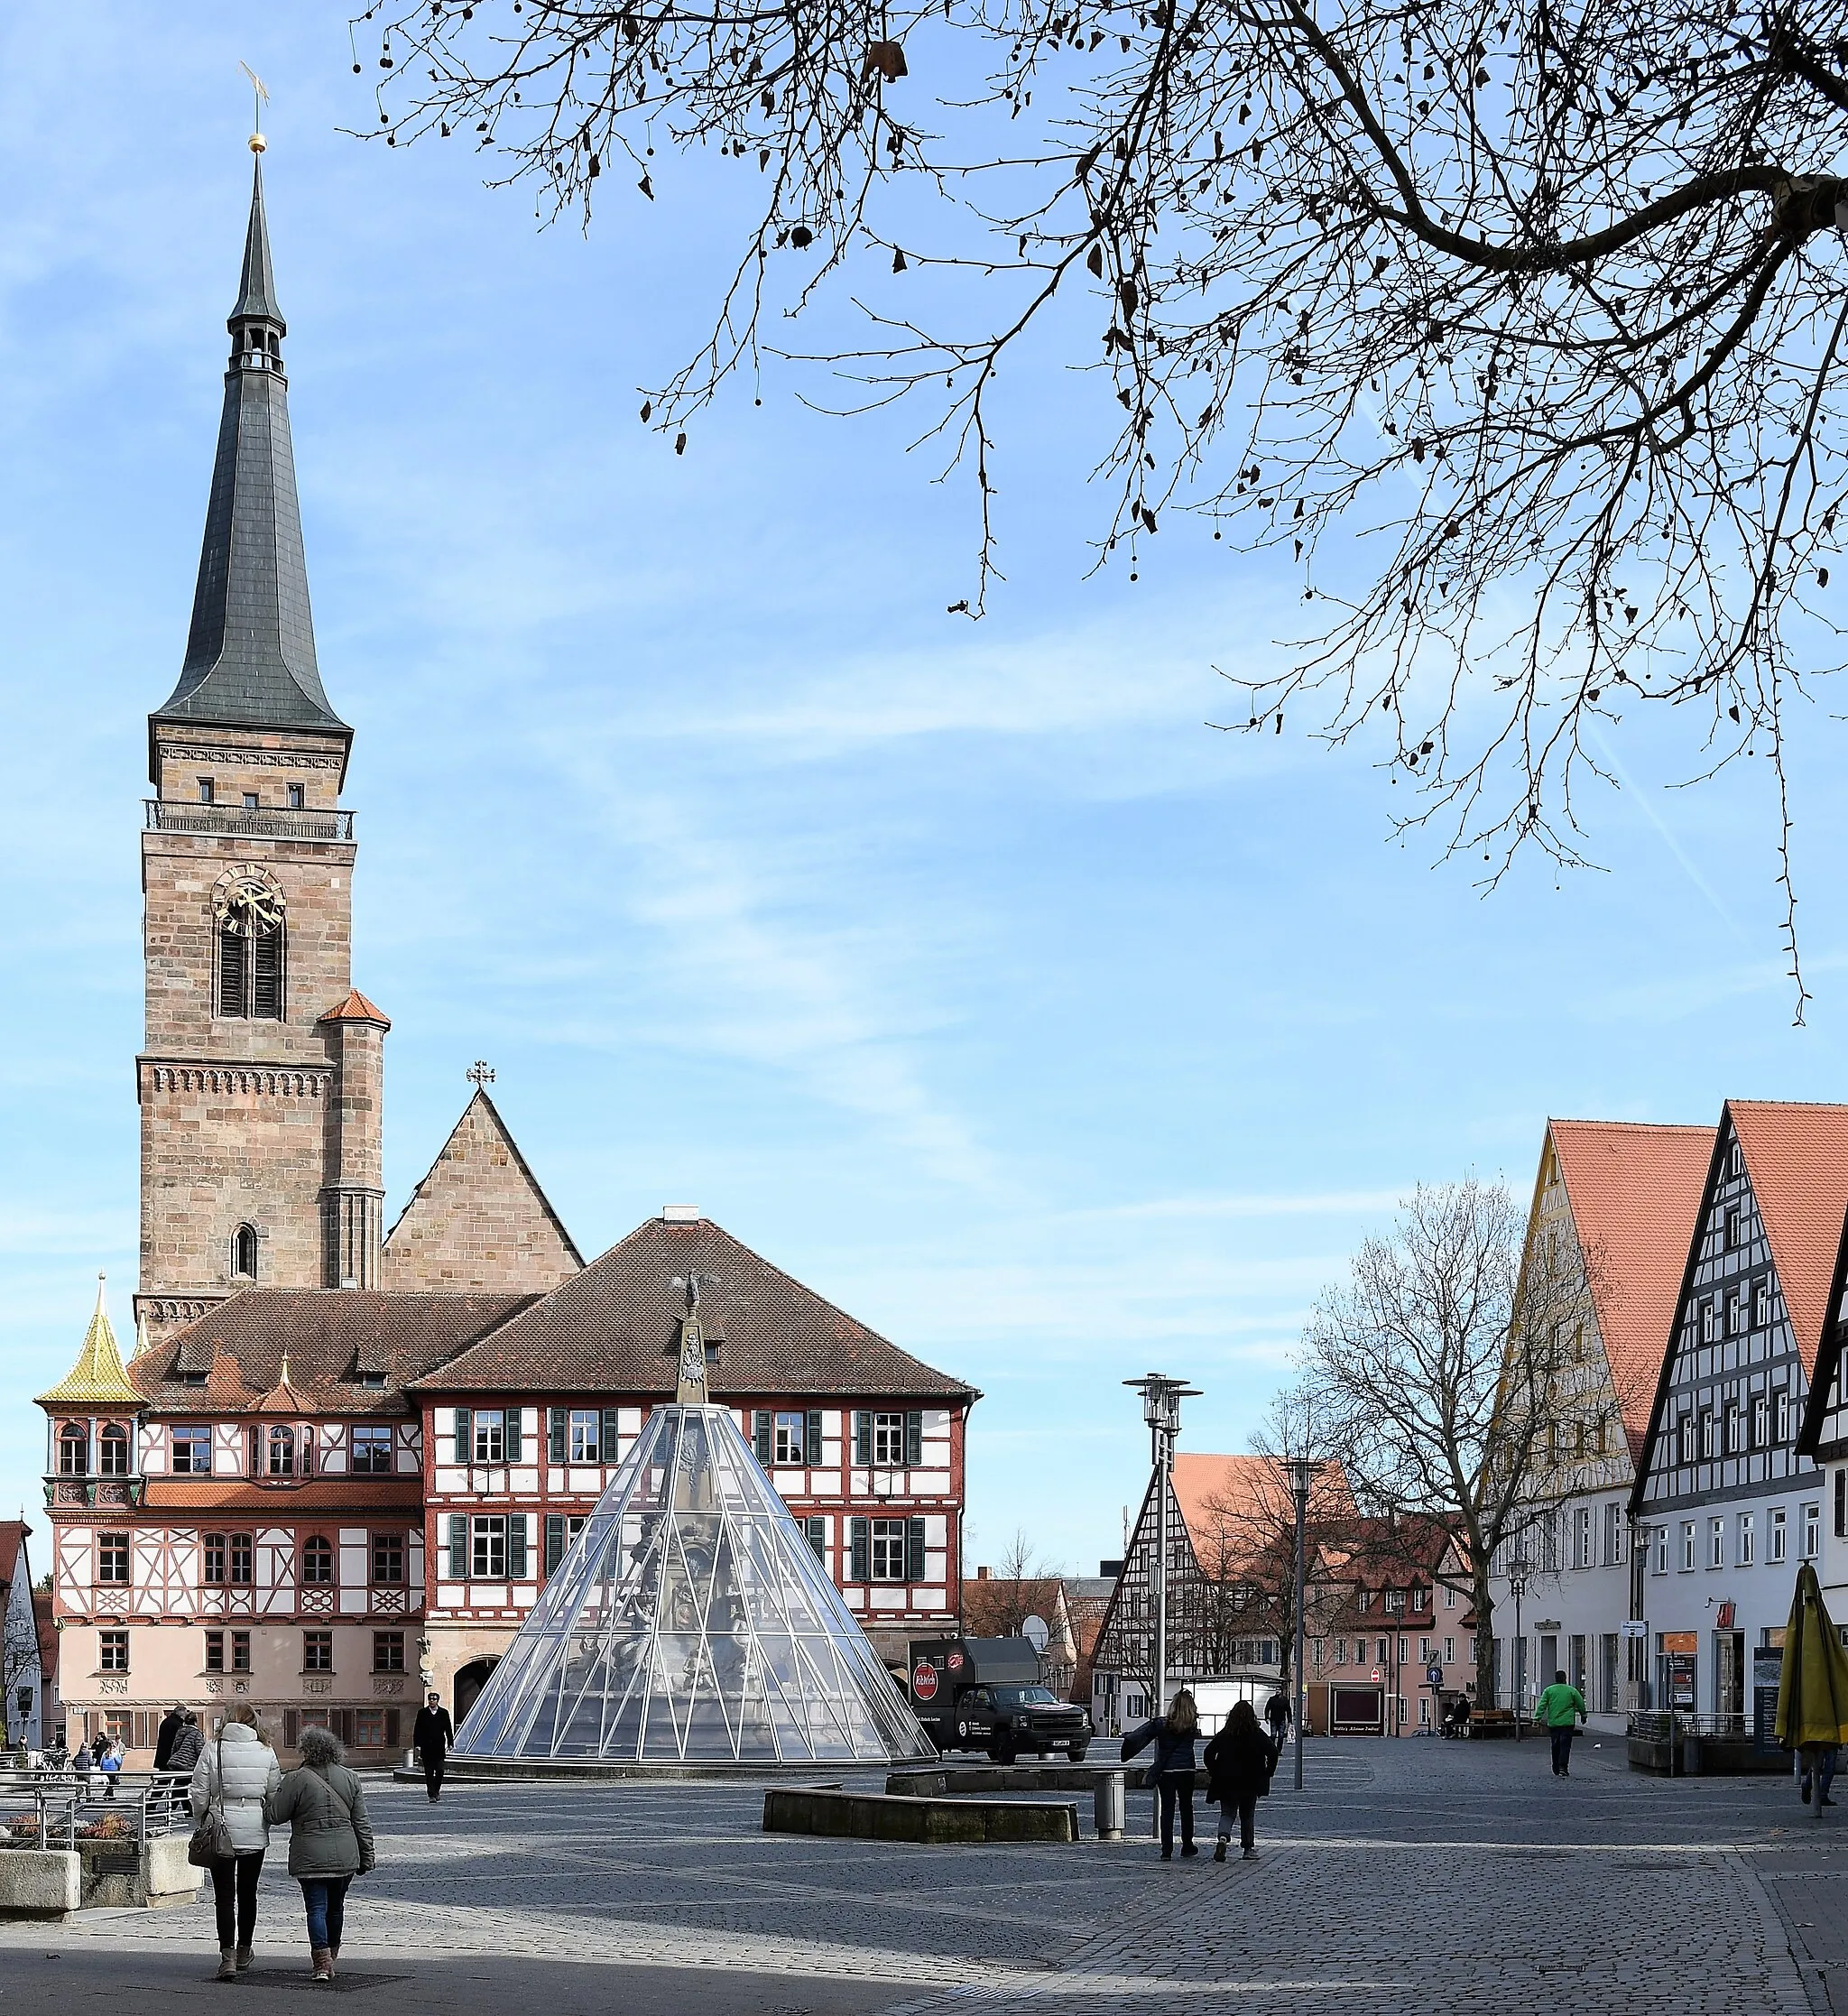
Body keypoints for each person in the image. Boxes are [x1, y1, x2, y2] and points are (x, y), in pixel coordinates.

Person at [268, 1725, 375, 1983]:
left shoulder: (296, 1779)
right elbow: (361, 1821)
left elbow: (275, 1815)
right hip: (345, 1855)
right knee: (336, 1909)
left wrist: (269, 1797)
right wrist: (367, 1855)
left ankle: (322, 1963)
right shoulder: (350, 1777)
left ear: (306, 1750)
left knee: (316, 1908)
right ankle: (332, 1957)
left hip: (310, 1855)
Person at [189, 1704, 282, 1982]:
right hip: (254, 1828)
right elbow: (274, 1791)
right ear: (254, 1721)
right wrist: (263, 1816)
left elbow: (198, 1790)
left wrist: (203, 1817)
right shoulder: (266, 1750)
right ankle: (244, 1950)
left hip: (221, 1827)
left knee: (224, 1897)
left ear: (227, 1721)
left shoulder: (213, 1748)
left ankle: (227, 1956)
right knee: (248, 1893)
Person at [1121, 1688, 1201, 1859]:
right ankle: (1187, 1845)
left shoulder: (1161, 1724)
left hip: (1166, 1771)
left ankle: (1167, 1850)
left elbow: (1139, 1735)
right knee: (1186, 1808)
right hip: (1187, 1770)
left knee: (1167, 1810)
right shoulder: (1192, 1725)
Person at [1203, 1699, 1278, 1862]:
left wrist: (1215, 1770)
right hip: (1250, 1782)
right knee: (1247, 1815)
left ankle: (1223, 1838)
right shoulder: (1257, 1734)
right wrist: (1268, 1772)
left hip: (1227, 1781)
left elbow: (1208, 1752)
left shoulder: (1226, 1733)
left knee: (1227, 1814)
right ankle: (1248, 1849)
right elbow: (1273, 1752)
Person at [1534, 1668, 1587, 1776]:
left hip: (1554, 1723)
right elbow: (1580, 1703)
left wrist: (1537, 1718)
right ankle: (1563, 1767)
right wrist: (1583, 1715)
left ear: (1556, 1679)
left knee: (1555, 1744)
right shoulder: (1571, 1690)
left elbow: (1542, 1705)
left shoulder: (1549, 1690)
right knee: (1565, 1745)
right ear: (1565, 1679)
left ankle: (1555, 1766)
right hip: (1567, 1723)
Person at [412, 1691, 454, 1803]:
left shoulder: (443, 1713)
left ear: (437, 1701)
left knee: (440, 1771)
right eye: (430, 1699)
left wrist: (451, 1742)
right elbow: (417, 1729)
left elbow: (448, 1729)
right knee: (429, 1773)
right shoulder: (422, 1713)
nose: (432, 1701)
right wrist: (417, 1744)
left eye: (434, 1699)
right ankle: (431, 1794)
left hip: (439, 1747)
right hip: (426, 1747)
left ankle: (436, 1790)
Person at [1800, 1744, 1839, 1808]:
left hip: (1822, 1739)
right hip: (1830, 1739)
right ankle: (1822, 1794)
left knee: (1820, 1764)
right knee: (1827, 1765)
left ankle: (1809, 1787)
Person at [153, 1705, 187, 1774]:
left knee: (163, 1778)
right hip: (172, 1757)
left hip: (163, 1756)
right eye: (185, 1714)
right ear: (180, 1713)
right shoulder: (177, 1724)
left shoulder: (166, 1721)